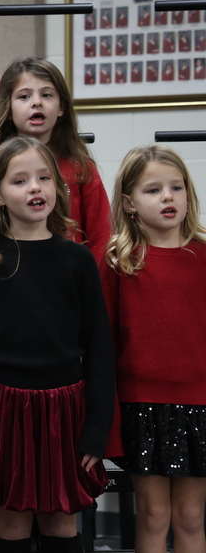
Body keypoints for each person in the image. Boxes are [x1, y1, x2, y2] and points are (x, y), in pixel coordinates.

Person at [0, 137, 113, 553]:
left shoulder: (76, 260)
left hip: (67, 411)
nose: (35, 188)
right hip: (6, 410)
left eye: (44, 178)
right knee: (13, 522)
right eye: (20, 180)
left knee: (61, 523)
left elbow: (99, 349)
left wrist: (96, 432)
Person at [100, 145, 206, 553]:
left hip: (199, 406)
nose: (168, 197)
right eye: (153, 190)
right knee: (154, 515)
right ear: (128, 203)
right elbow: (104, 346)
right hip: (143, 409)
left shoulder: (202, 257)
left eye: (176, 187)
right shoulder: (118, 262)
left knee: (191, 517)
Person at [0, 58, 110, 261]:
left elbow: (102, 239)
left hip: (69, 282)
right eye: (24, 96)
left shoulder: (81, 168)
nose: (36, 102)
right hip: (7, 279)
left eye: (46, 95)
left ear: (61, 108)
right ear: (8, 109)